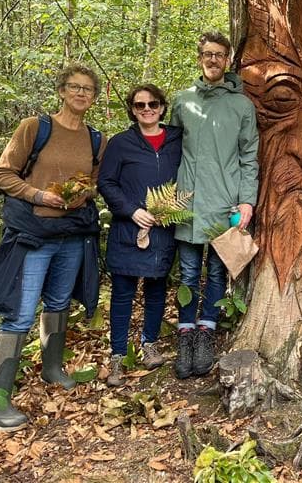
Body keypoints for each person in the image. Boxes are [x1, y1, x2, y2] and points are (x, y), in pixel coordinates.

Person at [0, 64, 106, 431]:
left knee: (59, 303)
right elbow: (2, 174)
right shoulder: (35, 128)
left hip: (71, 234)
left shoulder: (96, 139)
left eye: (88, 89)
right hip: (34, 234)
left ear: (94, 97)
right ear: (62, 91)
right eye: (74, 87)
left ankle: (52, 368)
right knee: (19, 312)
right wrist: (40, 194)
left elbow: (95, 182)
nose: (81, 93)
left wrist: (83, 193)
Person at [169, 31, 259, 379]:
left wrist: (247, 200)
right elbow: (169, 150)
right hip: (188, 201)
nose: (212, 60)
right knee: (189, 272)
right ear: (199, 58)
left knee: (218, 271)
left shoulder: (241, 105)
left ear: (228, 60)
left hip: (226, 202)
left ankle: (207, 331)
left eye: (219, 54)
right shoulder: (182, 102)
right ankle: (186, 333)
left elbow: (250, 156)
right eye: (207, 53)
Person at [98, 84, 182, 386]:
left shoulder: (176, 139)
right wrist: (132, 210)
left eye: (153, 104)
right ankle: (118, 355)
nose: (147, 109)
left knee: (156, 289)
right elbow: (106, 183)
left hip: (163, 229)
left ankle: (150, 345)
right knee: (123, 293)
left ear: (162, 106)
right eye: (139, 105)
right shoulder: (121, 143)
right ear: (132, 110)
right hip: (127, 229)